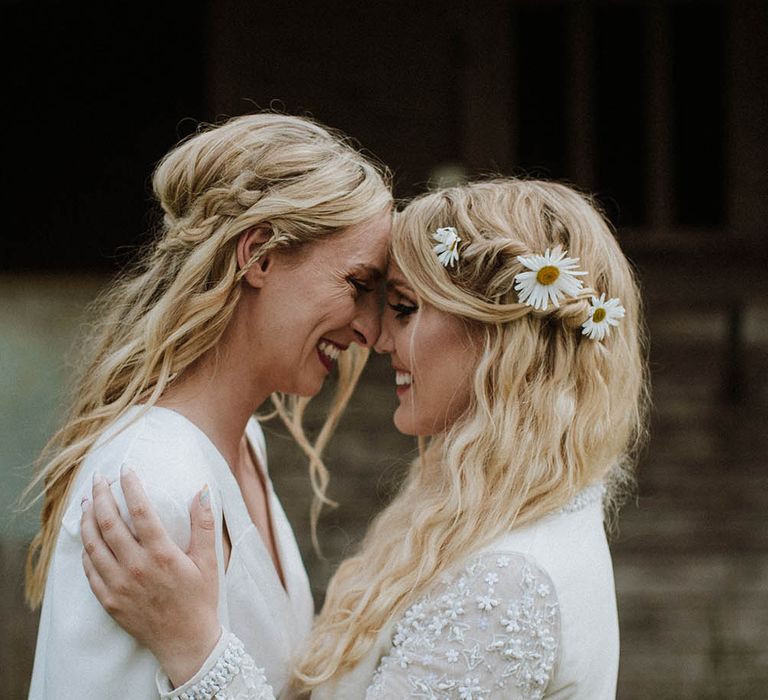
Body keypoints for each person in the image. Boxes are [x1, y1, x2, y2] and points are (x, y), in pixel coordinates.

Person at [79, 178, 648, 698]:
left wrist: (196, 649)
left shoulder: (504, 585)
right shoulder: (519, 512)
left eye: (404, 308)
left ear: (500, 337)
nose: (378, 340)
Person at [25, 112, 392, 699]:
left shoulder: (245, 444)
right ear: (260, 255)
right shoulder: (149, 483)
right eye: (357, 284)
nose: (371, 332)